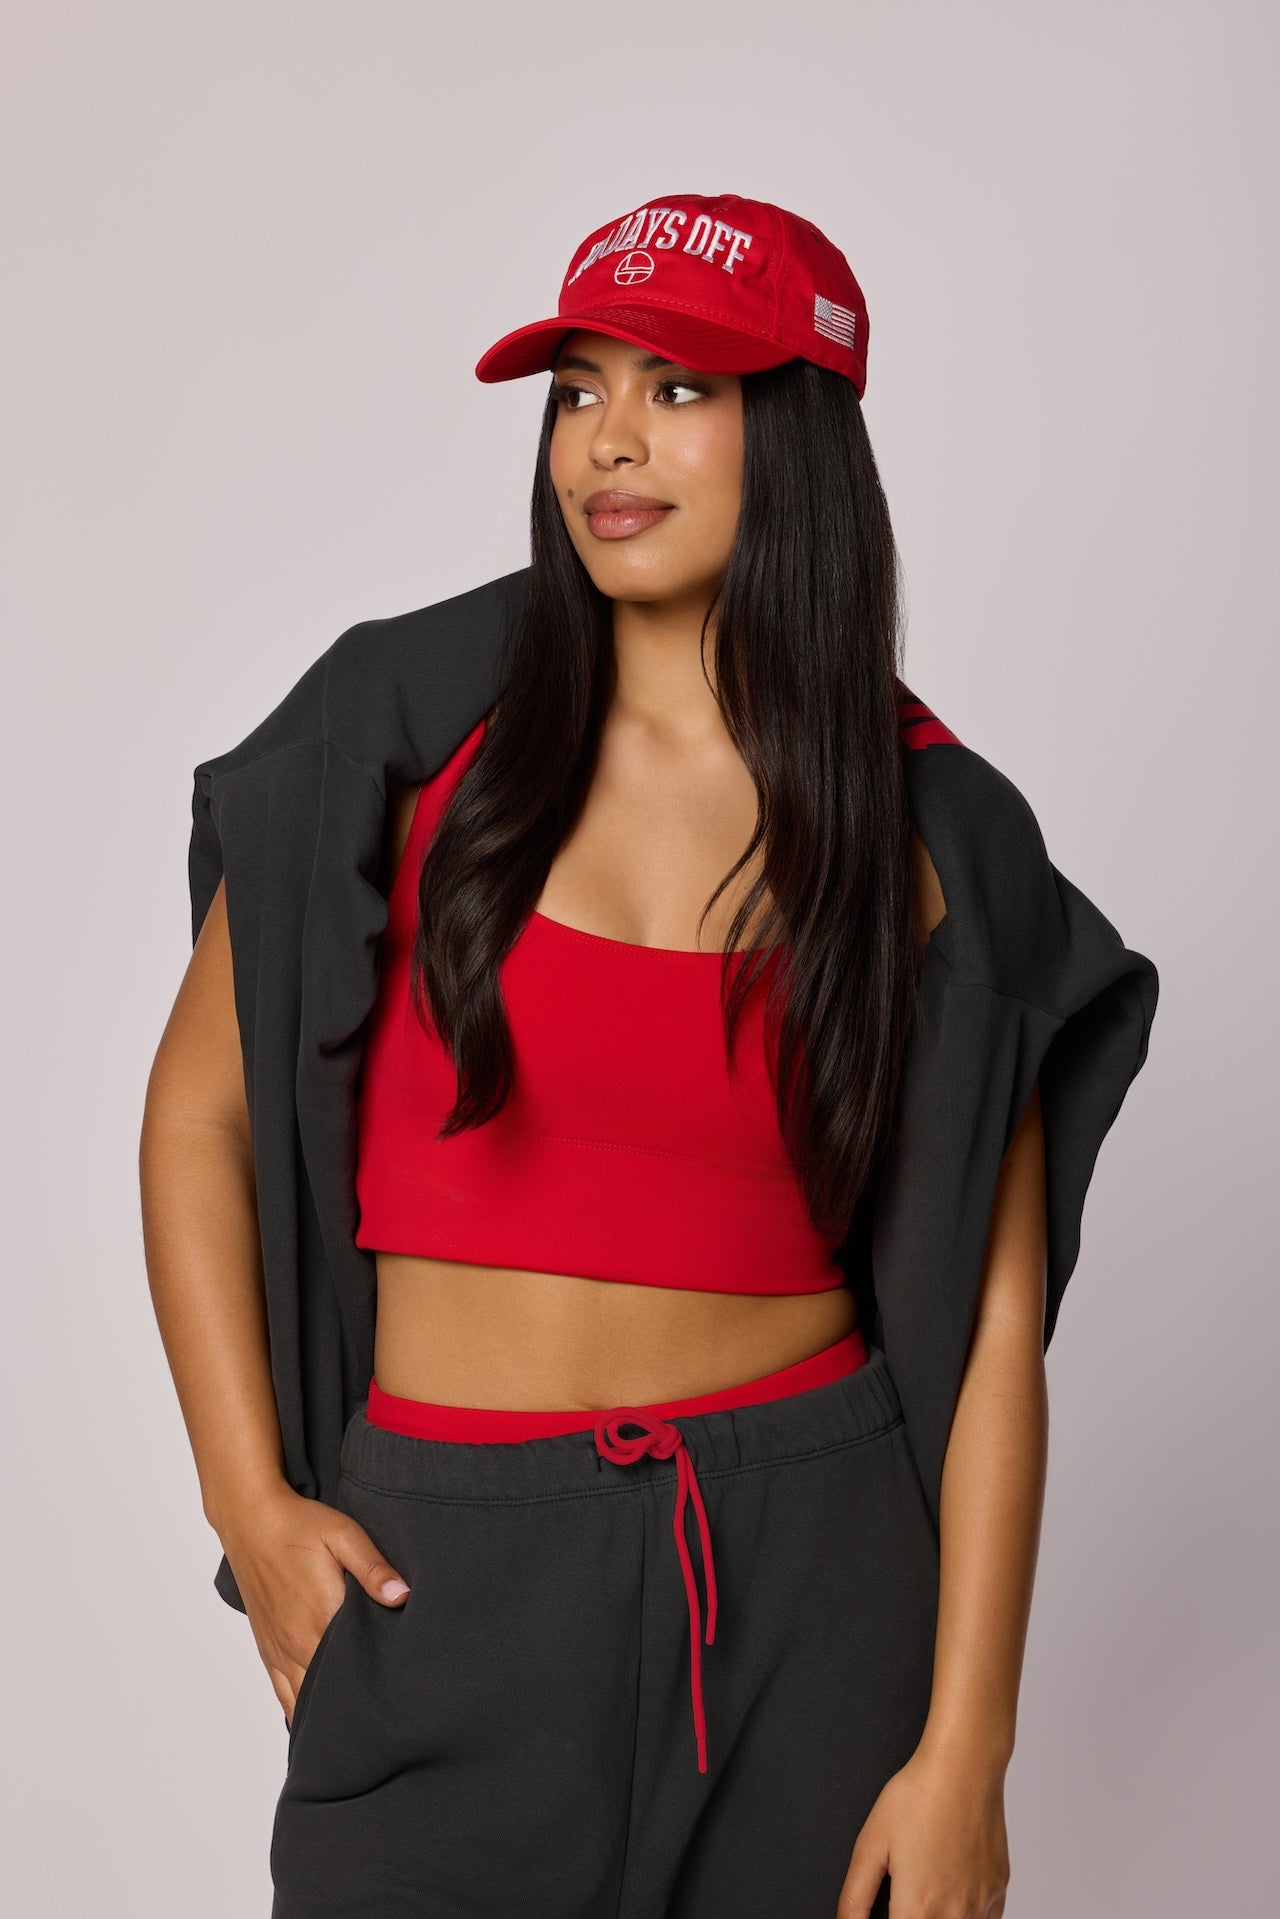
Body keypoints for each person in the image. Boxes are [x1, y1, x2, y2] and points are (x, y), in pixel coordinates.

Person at [139, 192, 1159, 1919]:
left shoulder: (934, 831)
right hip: (441, 1576)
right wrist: (248, 1501)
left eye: (680, 389)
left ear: (802, 430)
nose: (609, 439)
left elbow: (992, 1328)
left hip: (808, 1587)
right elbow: (200, 1121)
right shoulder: (396, 727)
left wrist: (966, 1751)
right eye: (578, 391)